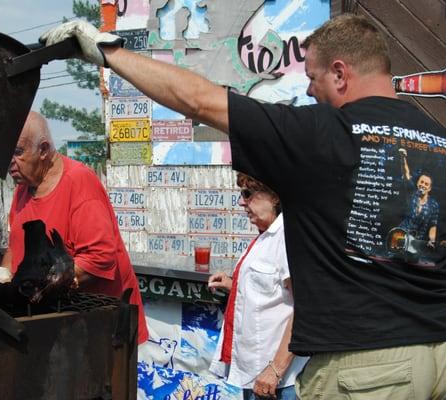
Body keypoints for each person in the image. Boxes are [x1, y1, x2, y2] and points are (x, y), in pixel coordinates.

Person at [40, 13, 446, 398]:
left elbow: (199, 100)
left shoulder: (321, 133)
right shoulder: (438, 139)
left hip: (370, 370)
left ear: (340, 73)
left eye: (313, 78)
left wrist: (108, 52)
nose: (308, 91)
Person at [0, 111, 148, 344]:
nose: (10, 162)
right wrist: (2, 281)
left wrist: (44, 284)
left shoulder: (79, 183)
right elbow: (14, 247)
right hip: (59, 322)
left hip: (104, 324)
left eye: (17, 152)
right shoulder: (23, 189)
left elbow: (100, 257)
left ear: (43, 150)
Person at [208, 173, 307, 400]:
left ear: (273, 197)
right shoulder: (266, 236)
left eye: (248, 194)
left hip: (278, 380)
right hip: (258, 374)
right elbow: (270, 292)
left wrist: (276, 369)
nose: (242, 202)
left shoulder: (286, 237)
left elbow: (305, 307)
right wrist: (234, 286)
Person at [398, 148, 439, 245]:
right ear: (417, 183)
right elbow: (406, 173)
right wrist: (403, 158)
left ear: (429, 188)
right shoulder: (412, 192)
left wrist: (432, 240)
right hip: (400, 236)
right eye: (421, 182)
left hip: (416, 242)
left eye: (426, 184)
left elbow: (433, 225)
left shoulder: (433, 204)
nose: (423, 185)